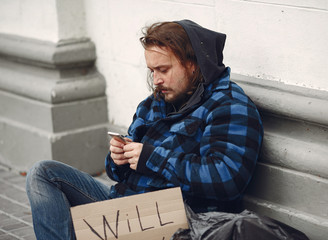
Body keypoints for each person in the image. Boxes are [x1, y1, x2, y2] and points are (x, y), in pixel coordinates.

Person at [26, 19, 263, 239]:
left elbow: (227, 179)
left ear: (193, 65)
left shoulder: (228, 105)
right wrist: (117, 159)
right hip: (125, 211)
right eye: (152, 71)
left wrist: (152, 158)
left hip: (175, 221)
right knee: (44, 173)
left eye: (163, 69)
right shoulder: (153, 104)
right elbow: (117, 175)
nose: (156, 80)